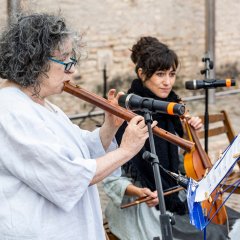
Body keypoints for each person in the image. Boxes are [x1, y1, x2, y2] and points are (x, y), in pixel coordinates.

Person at [0, 14, 157, 240]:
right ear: (35, 61)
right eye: (66, 62)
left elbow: (80, 151)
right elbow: (68, 176)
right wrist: (126, 150)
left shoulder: (40, 103)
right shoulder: (12, 112)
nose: (72, 71)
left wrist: (109, 128)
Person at [103, 36, 240, 240]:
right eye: (160, 74)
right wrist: (140, 192)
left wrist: (188, 133)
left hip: (176, 197)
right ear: (141, 74)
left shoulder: (172, 108)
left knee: (232, 221)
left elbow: (181, 165)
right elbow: (111, 180)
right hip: (144, 207)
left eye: (172, 74)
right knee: (211, 234)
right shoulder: (124, 115)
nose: (168, 82)